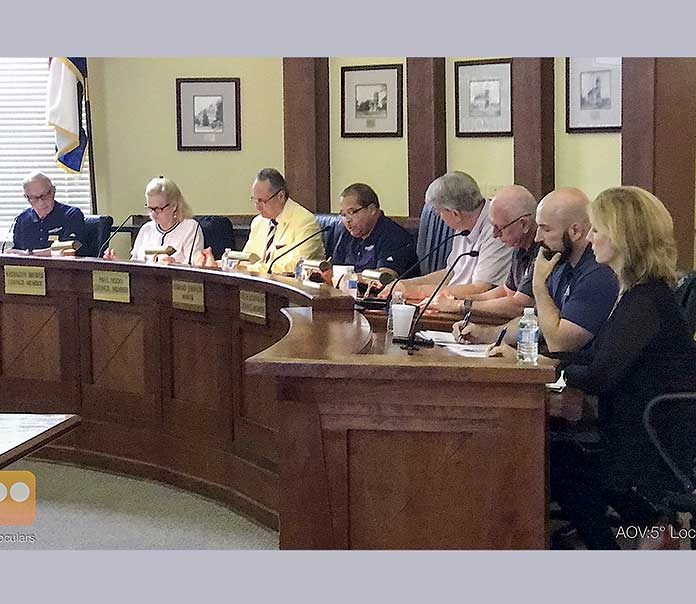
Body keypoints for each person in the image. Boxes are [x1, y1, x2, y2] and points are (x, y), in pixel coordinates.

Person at [546, 186, 696, 549]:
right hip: (637, 425)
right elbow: (599, 359)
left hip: (648, 438)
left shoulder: (645, 300)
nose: (592, 238)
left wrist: (554, 371)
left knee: (560, 460)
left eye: (598, 230)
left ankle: (633, 540)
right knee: (560, 451)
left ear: (623, 236)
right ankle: (649, 532)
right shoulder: (638, 292)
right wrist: (549, 365)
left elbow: (600, 375)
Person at [454, 187, 619, 353]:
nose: (538, 237)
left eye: (546, 229)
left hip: (574, 375)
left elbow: (559, 345)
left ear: (575, 231)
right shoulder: (561, 261)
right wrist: (485, 334)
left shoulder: (598, 274)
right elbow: (536, 323)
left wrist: (539, 286)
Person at [381, 171, 512, 300]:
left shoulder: (496, 229)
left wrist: (417, 291)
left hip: (474, 309)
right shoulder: (463, 224)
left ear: (455, 214)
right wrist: (406, 284)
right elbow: (451, 273)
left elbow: (481, 289)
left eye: (439, 213)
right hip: (453, 303)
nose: (440, 218)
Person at [425, 184, 539, 319]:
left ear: (524, 224)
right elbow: (506, 291)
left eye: (500, 228)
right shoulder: (519, 245)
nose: (495, 235)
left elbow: (519, 305)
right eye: (492, 227)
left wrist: (459, 306)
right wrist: (455, 300)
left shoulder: (543, 251)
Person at [104, 177, 203, 265]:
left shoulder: (190, 228)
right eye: (150, 208)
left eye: (158, 209)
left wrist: (175, 265)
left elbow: (195, 268)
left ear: (174, 206)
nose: (153, 214)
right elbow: (135, 266)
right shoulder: (146, 229)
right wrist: (117, 263)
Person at [243, 168, 324, 274]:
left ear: (281, 196)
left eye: (262, 201)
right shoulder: (258, 222)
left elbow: (295, 265)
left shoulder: (305, 222)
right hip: (259, 286)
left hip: (293, 286)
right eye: (255, 200)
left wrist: (251, 268)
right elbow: (245, 259)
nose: (258, 207)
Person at [330, 182, 417, 277]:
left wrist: (349, 277)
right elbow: (334, 269)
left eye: (351, 212)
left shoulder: (394, 236)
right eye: (343, 214)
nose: (347, 220)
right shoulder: (347, 233)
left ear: (372, 209)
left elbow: (385, 277)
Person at [10, 171, 85, 253]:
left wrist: (30, 254)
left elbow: (70, 248)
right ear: (26, 197)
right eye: (34, 198)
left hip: (61, 265)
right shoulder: (22, 218)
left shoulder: (72, 214)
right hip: (30, 266)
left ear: (53, 191)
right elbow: (16, 252)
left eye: (45, 195)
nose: (41, 202)